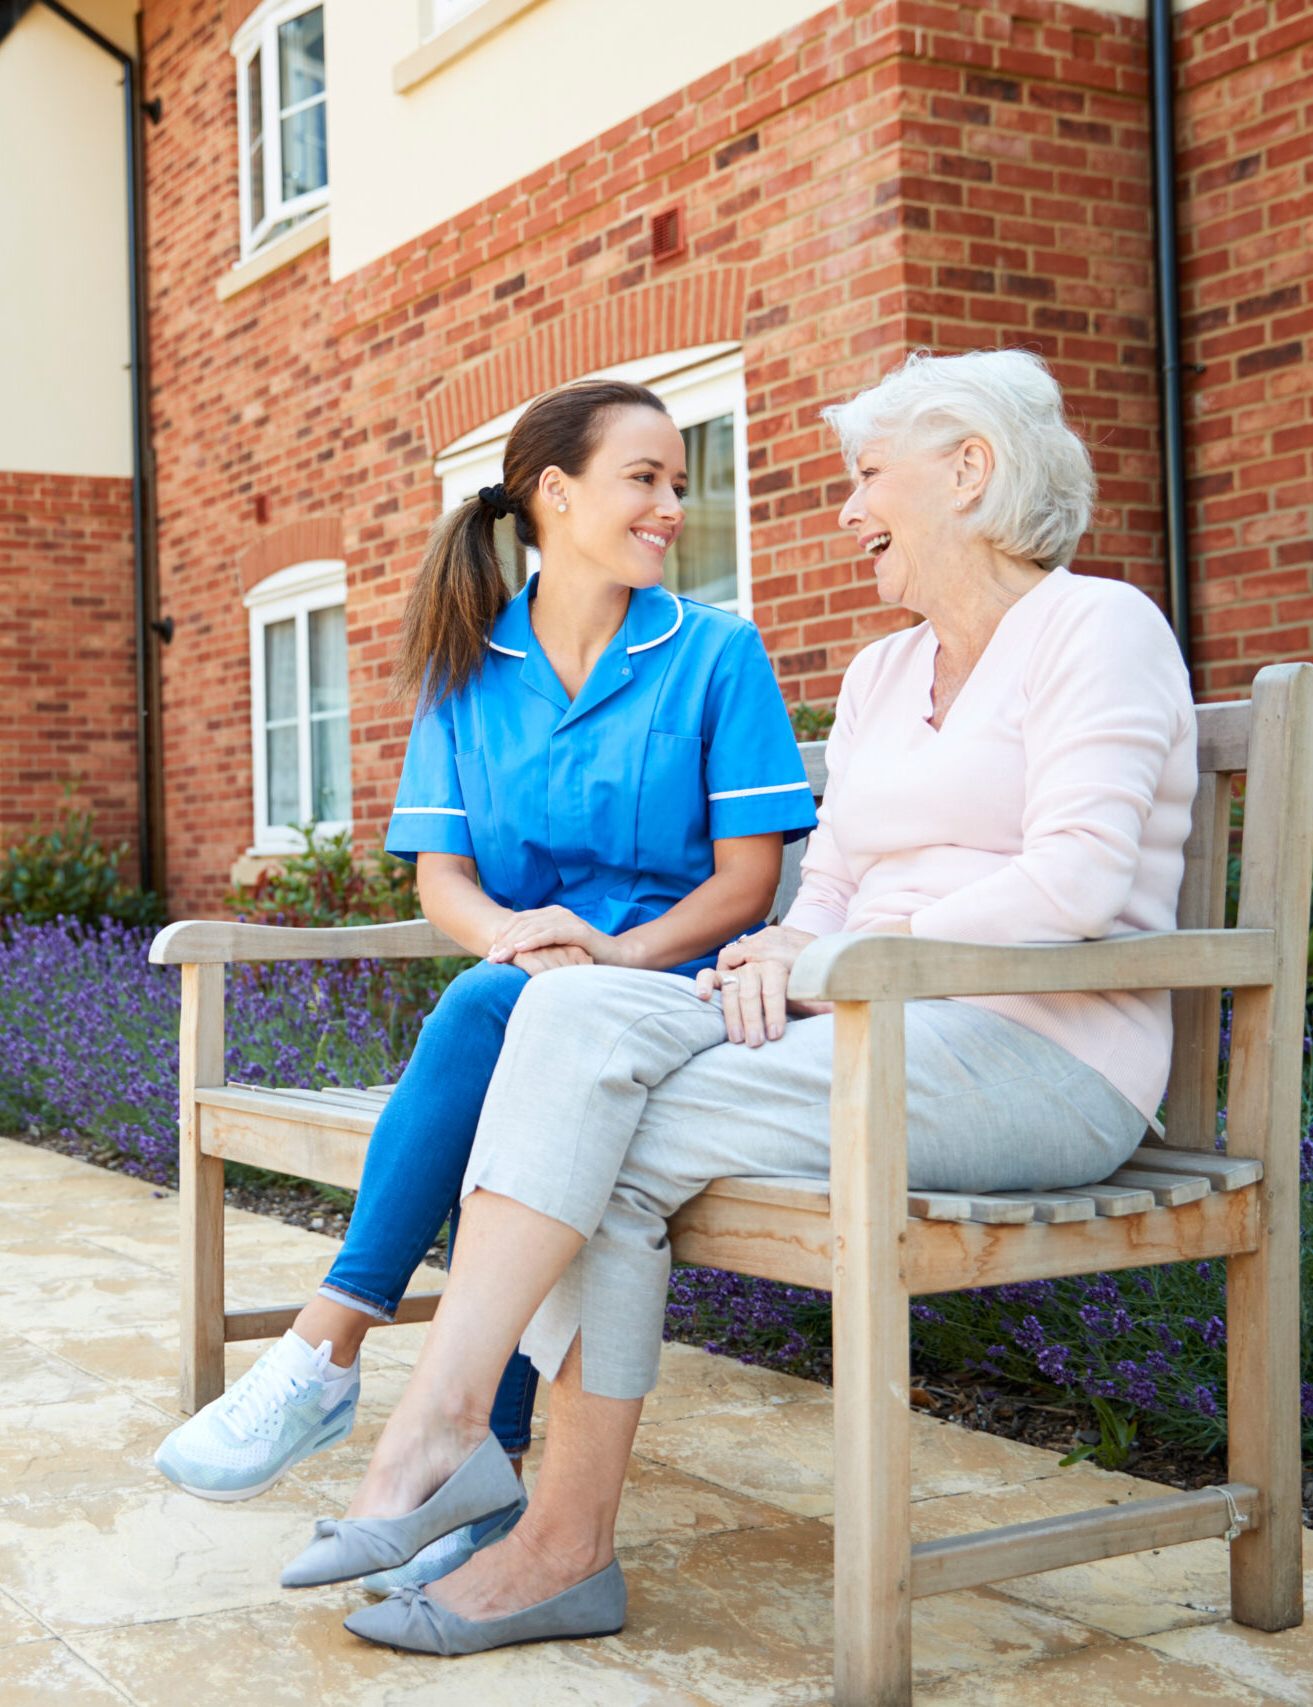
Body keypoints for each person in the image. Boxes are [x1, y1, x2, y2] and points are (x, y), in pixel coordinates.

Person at [285, 347, 1198, 1656]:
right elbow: (826, 885)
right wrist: (786, 950)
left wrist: (817, 963)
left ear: (970, 472)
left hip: (1038, 1053)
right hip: (861, 1024)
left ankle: (509, 1495)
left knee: (600, 1136)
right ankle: (473, 1453)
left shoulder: (1097, 626)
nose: (845, 510)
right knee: (563, 1015)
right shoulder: (889, 672)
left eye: (866, 479)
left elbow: (1075, 876)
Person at [153, 378, 817, 1594]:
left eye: (680, 482)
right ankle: (482, 1472)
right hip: (533, 998)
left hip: (673, 1001)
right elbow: (442, 879)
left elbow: (747, 885)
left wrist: (608, 957)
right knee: (505, 1033)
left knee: (486, 1019)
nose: (672, 504)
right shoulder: (469, 667)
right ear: (555, 494)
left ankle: (326, 1347)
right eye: (646, 478)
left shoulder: (715, 651)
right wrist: (517, 938)